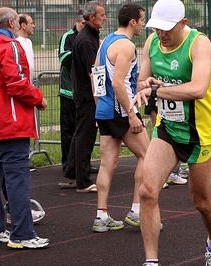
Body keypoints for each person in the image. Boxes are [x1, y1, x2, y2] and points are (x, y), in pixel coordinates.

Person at [130, 0, 211, 265]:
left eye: (167, 28)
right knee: (147, 191)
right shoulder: (151, 42)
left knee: (202, 202)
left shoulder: (199, 43)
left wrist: (157, 91)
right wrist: (145, 83)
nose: (161, 34)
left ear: (183, 24)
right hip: (168, 129)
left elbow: (198, 88)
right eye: (156, 28)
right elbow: (142, 81)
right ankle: (151, 261)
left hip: (200, 133)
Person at [0, 7, 49, 248]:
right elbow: (16, 84)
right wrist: (39, 98)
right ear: (11, 23)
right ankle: (22, 234)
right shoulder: (10, 46)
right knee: (17, 179)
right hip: (11, 123)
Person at [91, 2, 149, 232]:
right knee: (148, 155)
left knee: (108, 164)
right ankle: (137, 210)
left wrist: (99, 109)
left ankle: (101, 216)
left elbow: (96, 78)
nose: (143, 24)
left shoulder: (105, 41)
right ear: (133, 21)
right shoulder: (126, 46)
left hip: (106, 111)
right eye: (142, 20)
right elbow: (117, 83)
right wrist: (133, 116)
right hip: (122, 112)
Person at [63, 1, 107, 193]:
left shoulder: (87, 37)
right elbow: (94, 73)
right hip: (88, 96)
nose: (105, 18)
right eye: (102, 15)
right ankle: (83, 181)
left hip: (83, 94)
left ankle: (73, 173)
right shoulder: (86, 40)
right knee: (85, 136)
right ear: (92, 18)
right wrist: (100, 99)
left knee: (79, 134)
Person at [57, 10, 85, 179]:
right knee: (69, 131)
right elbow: (63, 58)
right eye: (81, 24)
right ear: (76, 22)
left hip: (84, 93)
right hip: (68, 92)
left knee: (83, 131)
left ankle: (82, 164)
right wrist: (81, 50)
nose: (83, 27)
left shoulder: (91, 36)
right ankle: (67, 165)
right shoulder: (68, 37)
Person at [16, 13, 36, 172]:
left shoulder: (28, 42)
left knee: (29, 123)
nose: (33, 25)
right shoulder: (16, 43)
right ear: (23, 25)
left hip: (28, 89)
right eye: (30, 23)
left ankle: (25, 157)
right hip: (20, 91)